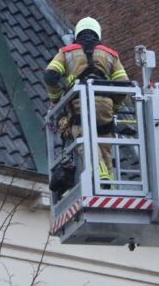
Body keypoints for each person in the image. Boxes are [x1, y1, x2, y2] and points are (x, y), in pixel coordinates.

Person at [44, 17, 129, 190]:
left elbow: (50, 76)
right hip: (105, 105)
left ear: (77, 33)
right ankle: (109, 187)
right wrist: (115, 107)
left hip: (80, 104)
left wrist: (56, 99)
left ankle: (99, 173)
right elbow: (123, 85)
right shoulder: (111, 55)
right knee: (104, 142)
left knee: (83, 137)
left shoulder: (66, 52)